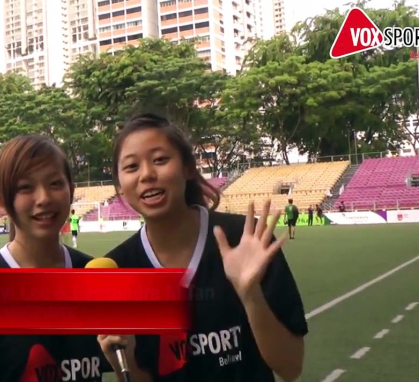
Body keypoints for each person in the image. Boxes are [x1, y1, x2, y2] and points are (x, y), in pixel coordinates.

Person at [98, 114, 307, 382]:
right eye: (131, 167)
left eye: (160, 160)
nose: (147, 174)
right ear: (119, 185)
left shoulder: (245, 239)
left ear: (187, 168)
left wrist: (250, 295)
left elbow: (291, 368)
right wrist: (121, 361)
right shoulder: (117, 270)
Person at [0, 135, 111, 381]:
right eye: (26, 187)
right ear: (1, 202)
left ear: (71, 190)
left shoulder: (94, 275)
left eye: (55, 183)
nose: (44, 198)